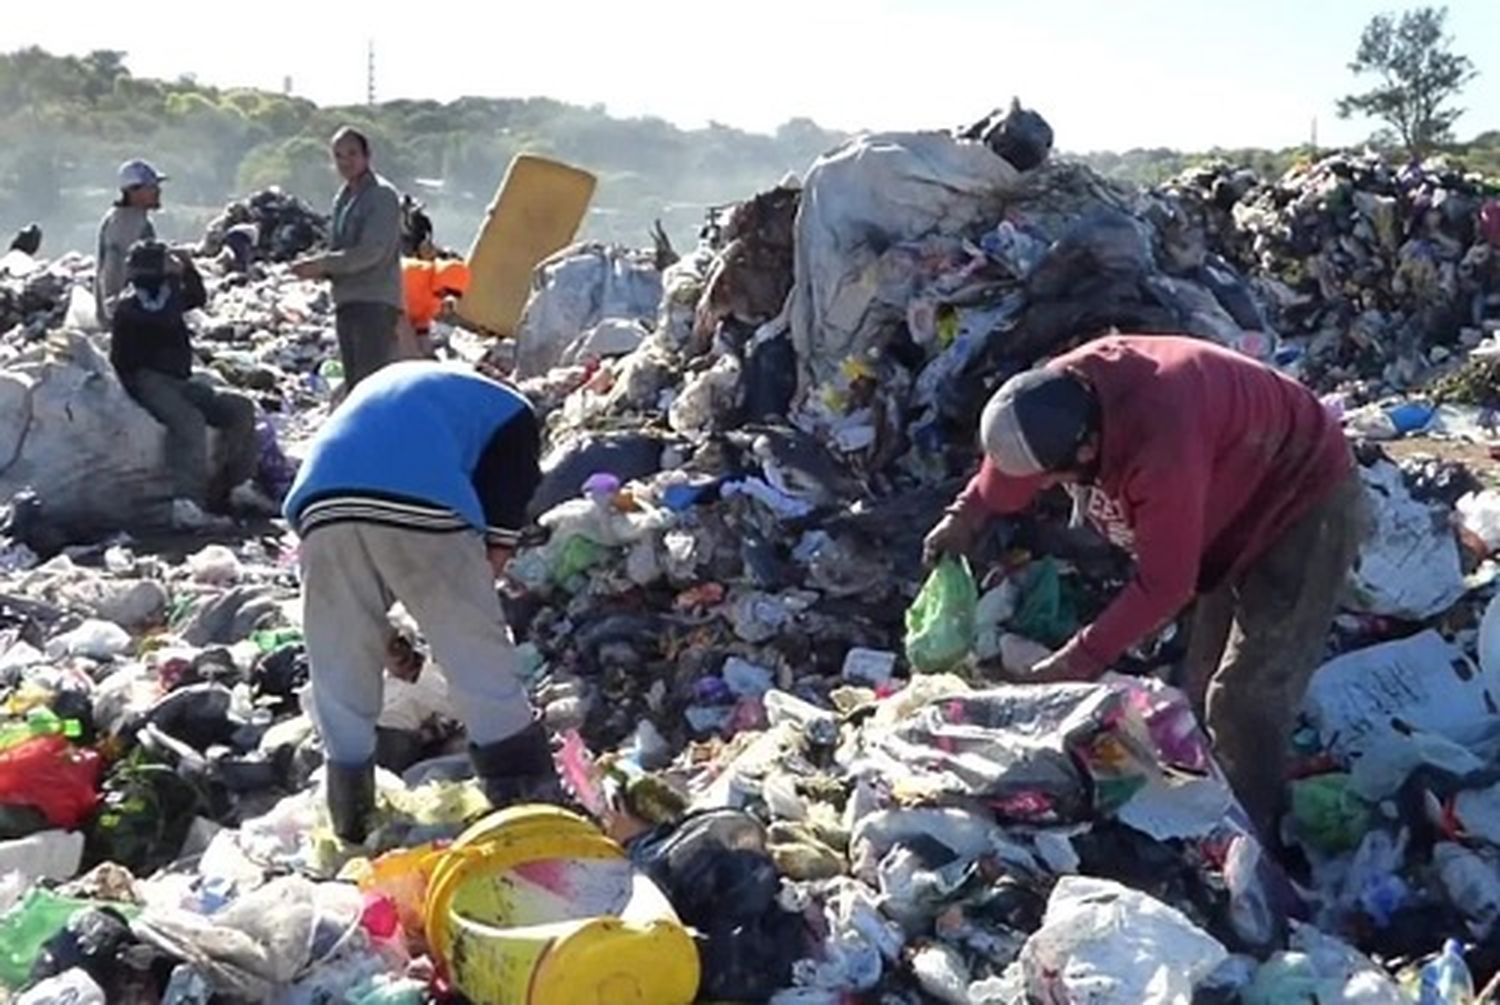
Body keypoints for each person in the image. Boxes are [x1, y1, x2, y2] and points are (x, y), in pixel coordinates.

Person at [923, 334, 1366, 837]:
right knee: (1196, 685)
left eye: (1054, 477)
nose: (1046, 487)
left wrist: (1075, 662)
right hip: (1229, 495)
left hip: (1302, 497)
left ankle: (1256, 836)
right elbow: (1011, 465)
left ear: (1088, 446)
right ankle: (1206, 804)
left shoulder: (1161, 441)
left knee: (1244, 698)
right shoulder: (1052, 397)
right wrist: (966, 515)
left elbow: (1165, 584)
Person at [281, 361, 554, 843]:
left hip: (320, 506)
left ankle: (352, 821)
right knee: (477, 657)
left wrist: (389, 639)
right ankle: (527, 802)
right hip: (422, 502)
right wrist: (463, 603)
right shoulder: (516, 414)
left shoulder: (410, 394)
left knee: (340, 659)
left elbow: (361, 583)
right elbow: (497, 535)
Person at [109, 241, 262, 529]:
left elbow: (197, 297)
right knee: (188, 421)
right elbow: (161, 317)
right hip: (145, 379)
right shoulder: (130, 305)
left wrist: (188, 269)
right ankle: (187, 504)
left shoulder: (168, 296)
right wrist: (174, 275)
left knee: (239, 408)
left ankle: (237, 486)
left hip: (179, 379)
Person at [291, 127, 403, 391]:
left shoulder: (381, 195)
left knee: (371, 387)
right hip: (347, 300)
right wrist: (314, 266)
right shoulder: (343, 197)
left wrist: (324, 264)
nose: (345, 161)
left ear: (367, 156)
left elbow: (371, 252)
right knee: (355, 384)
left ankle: (376, 434)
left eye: (352, 153)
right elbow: (340, 247)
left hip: (374, 302)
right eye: (339, 155)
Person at [96, 159, 168, 327]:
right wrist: (115, 313)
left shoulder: (135, 219)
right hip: (129, 318)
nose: (157, 191)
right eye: (151, 186)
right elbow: (113, 270)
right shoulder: (125, 224)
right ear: (133, 191)